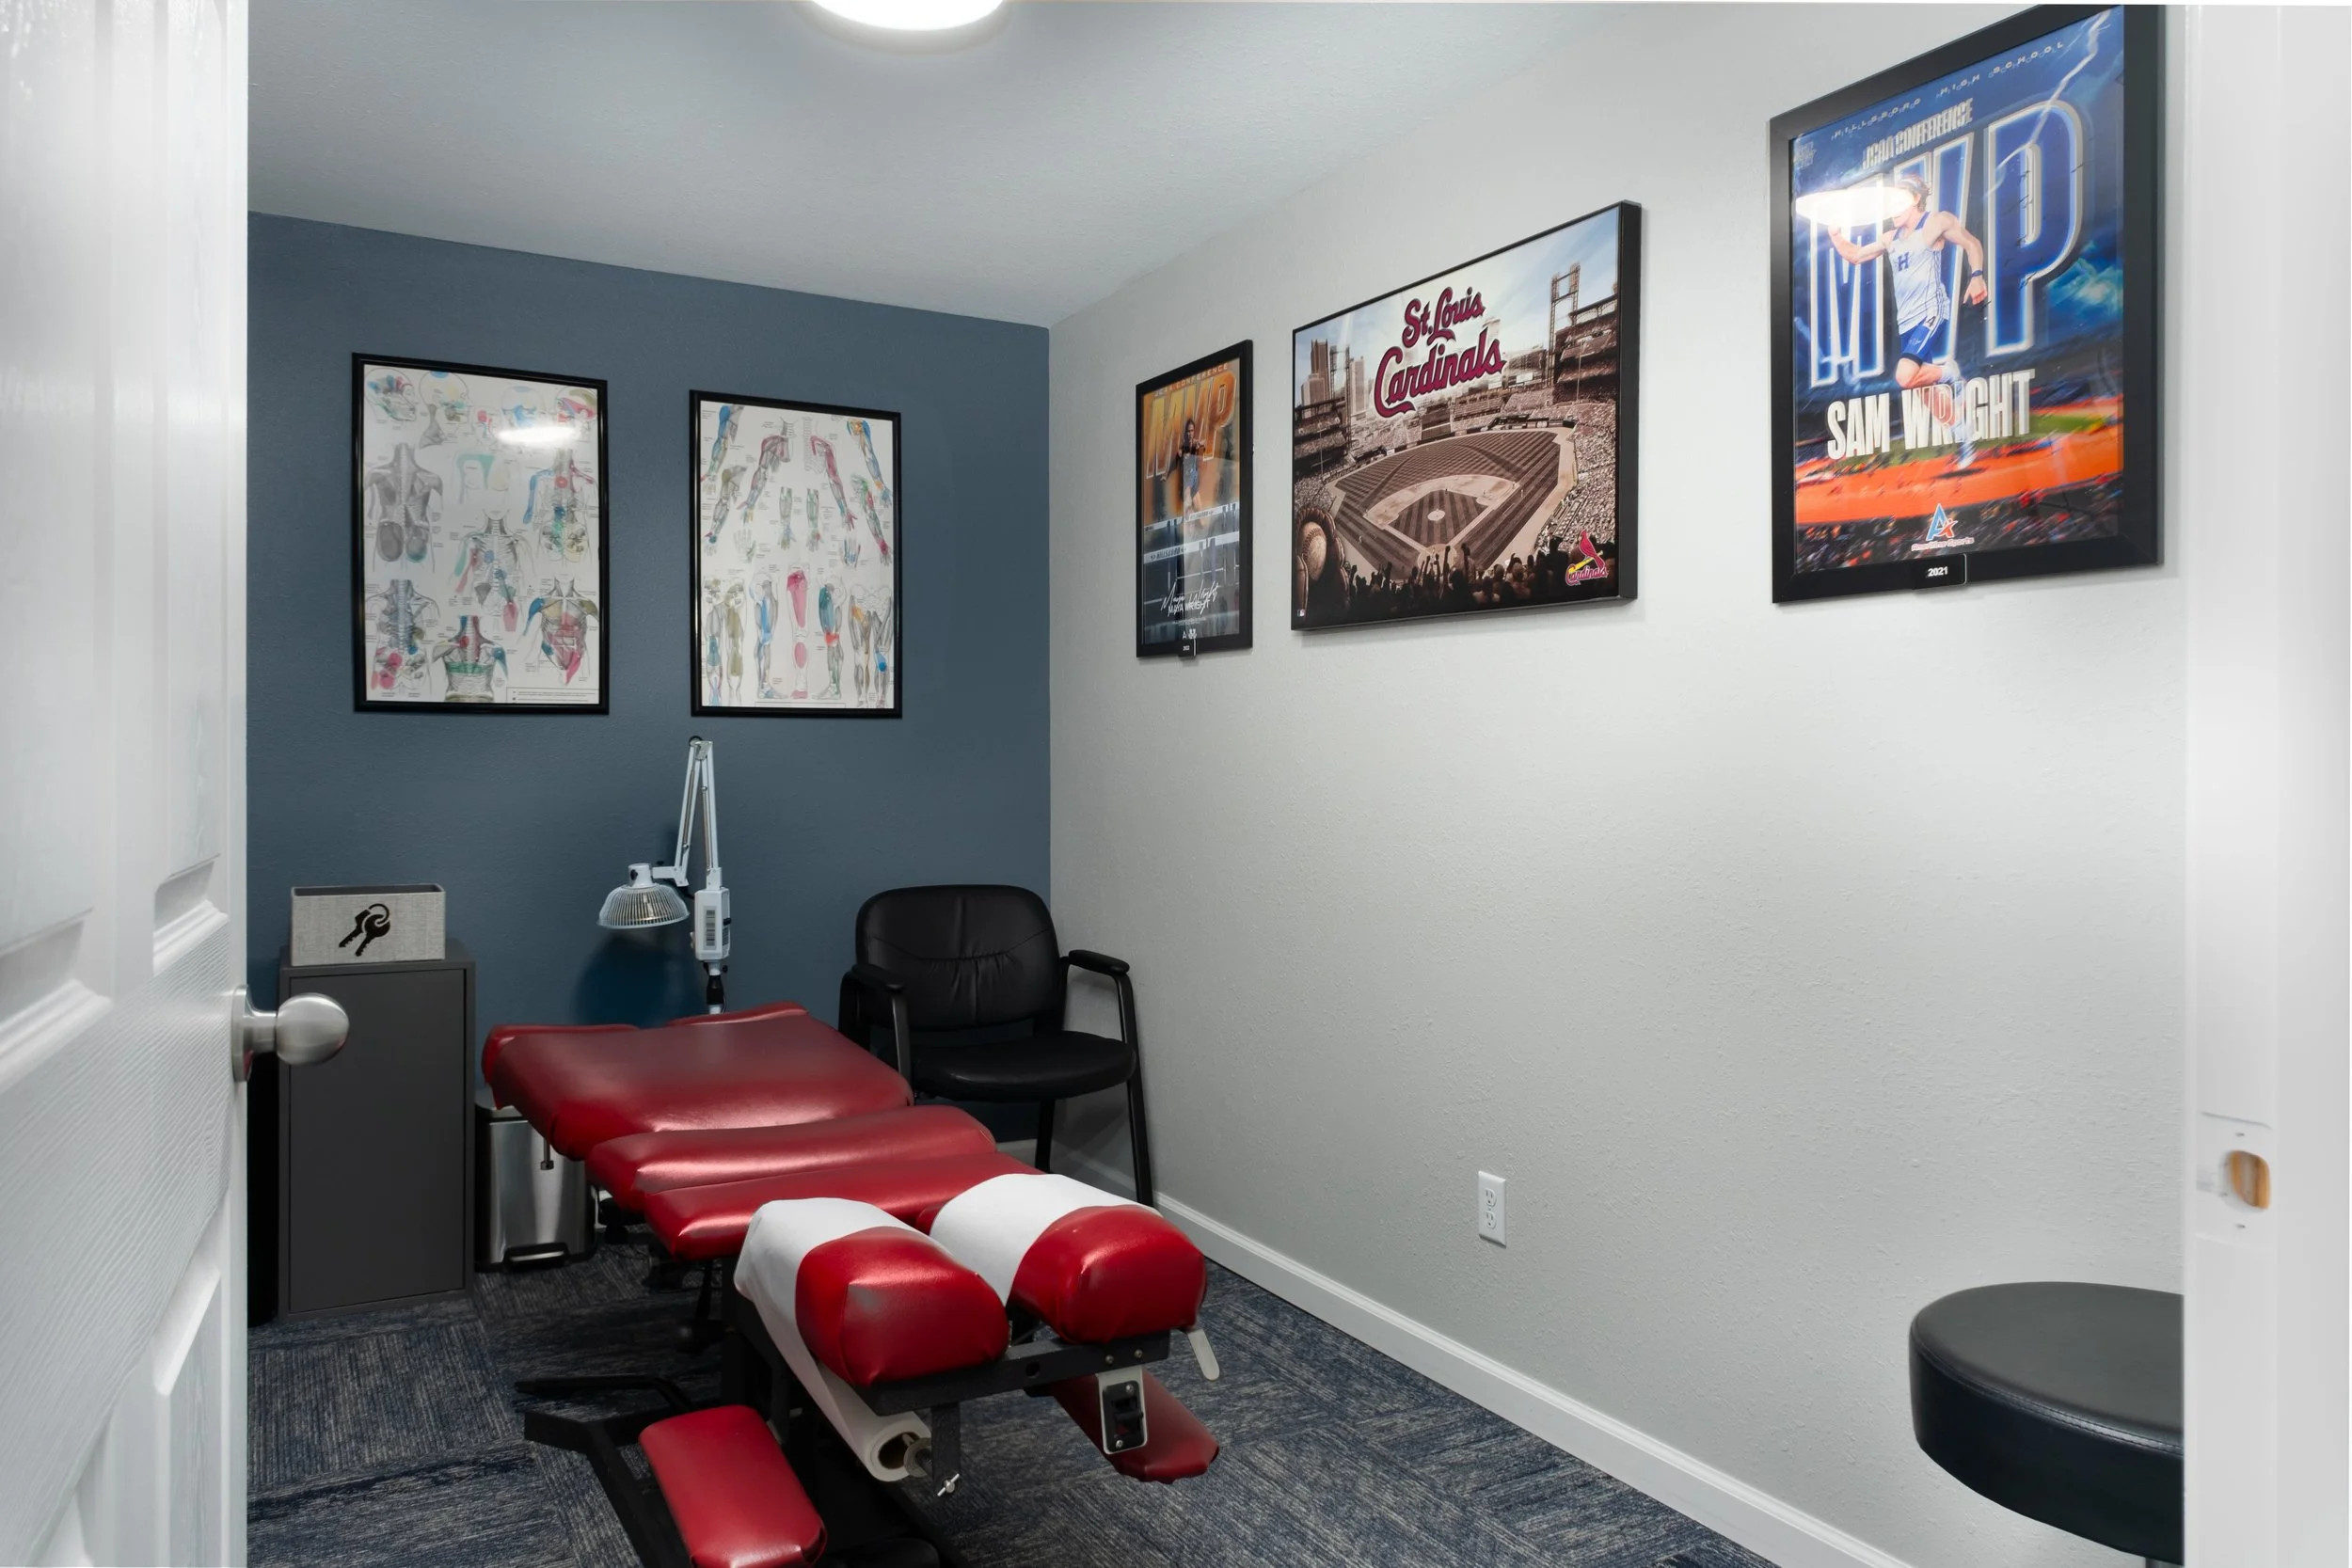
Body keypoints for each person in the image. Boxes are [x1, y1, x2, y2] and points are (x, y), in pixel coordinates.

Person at [1826, 174, 1988, 467]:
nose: (1891, 209)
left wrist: (1976, 276)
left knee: (1904, 376)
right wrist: (1836, 236)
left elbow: (1972, 243)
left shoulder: (1935, 222)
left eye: (1897, 201)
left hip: (1931, 310)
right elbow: (1856, 256)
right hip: (1907, 322)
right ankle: (1964, 436)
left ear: (1915, 199)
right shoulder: (1890, 238)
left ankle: (1948, 372)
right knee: (1922, 391)